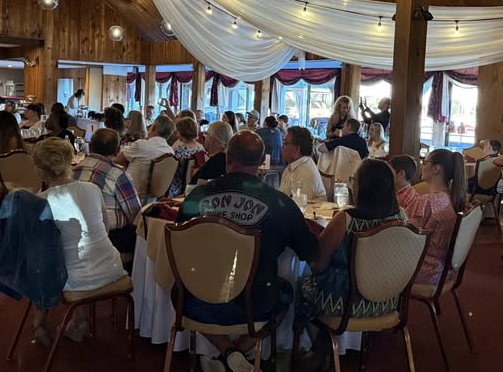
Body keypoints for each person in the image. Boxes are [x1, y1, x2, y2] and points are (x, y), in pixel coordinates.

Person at [176, 131, 319, 372]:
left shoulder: (197, 197)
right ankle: (239, 352)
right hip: (256, 303)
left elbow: (180, 242)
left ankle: (228, 353)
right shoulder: (281, 204)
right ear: (262, 160)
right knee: (285, 294)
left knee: (179, 291)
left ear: (227, 157)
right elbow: (310, 251)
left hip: (198, 299)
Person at [296, 159, 407, 361]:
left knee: (299, 285)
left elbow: (317, 264)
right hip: (389, 299)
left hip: (345, 303)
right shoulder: (402, 218)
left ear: (362, 187)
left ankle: (311, 347)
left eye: (354, 180)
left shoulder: (346, 220)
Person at [32, 138, 126, 345]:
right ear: (71, 162)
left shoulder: (41, 200)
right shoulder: (92, 189)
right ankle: (79, 320)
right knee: (80, 255)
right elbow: (105, 229)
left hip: (74, 280)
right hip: (112, 268)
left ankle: (39, 324)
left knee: (43, 265)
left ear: (39, 170)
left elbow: (42, 252)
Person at [73, 128, 142, 255]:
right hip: (109, 238)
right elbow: (135, 215)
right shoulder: (118, 174)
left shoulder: (74, 169)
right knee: (145, 233)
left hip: (76, 234)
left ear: (90, 146)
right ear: (117, 150)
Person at [405, 149, 466, 286]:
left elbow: (404, 234)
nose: (422, 166)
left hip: (425, 269)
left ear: (436, 168)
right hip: (443, 270)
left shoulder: (427, 201)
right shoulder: (451, 196)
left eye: (424, 162)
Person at [115, 115, 175, 202]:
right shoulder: (170, 151)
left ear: (153, 127)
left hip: (130, 195)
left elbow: (118, 160)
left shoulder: (141, 145)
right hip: (153, 200)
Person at [280, 126, 327, 201]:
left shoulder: (305, 171)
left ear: (297, 149)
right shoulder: (291, 167)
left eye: (285, 143)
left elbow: (300, 205)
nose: (282, 146)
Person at [168, 117, 206, 197]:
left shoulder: (179, 151)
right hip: (193, 186)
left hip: (177, 189)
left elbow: (170, 170)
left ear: (182, 132)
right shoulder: (201, 148)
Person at [190, 121, 233, 185]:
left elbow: (200, 185)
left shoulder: (215, 162)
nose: (204, 137)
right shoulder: (228, 158)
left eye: (206, 134)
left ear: (211, 140)